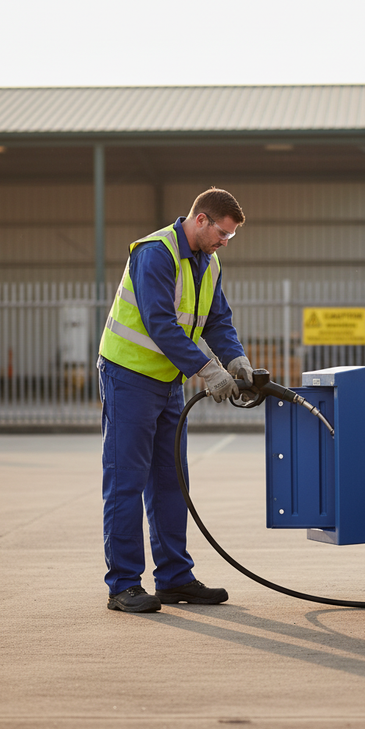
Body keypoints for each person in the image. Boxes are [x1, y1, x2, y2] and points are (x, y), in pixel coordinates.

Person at [97, 187, 253, 613]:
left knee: (170, 481)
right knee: (126, 482)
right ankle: (124, 585)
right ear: (200, 219)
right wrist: (207, 371)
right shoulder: (156, 253)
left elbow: (217, 319)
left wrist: (235, 358)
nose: (225, 242)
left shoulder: (209, 261)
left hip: (166, 381)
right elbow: (160, 323)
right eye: (223, 232)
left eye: (230, 237)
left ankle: (173, 578)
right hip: (128, 375)